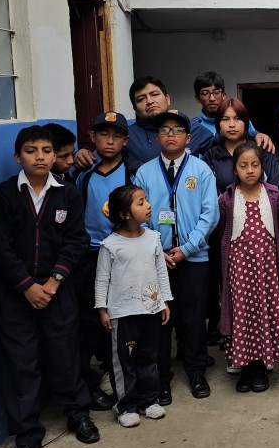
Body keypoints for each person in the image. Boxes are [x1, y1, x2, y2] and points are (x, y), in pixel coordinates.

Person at [0, 125, 99, 448]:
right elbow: (1, 246)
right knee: (21, 362)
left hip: (57, 290)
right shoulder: (4, 195)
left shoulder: (67, 193)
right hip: (17, 294)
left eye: (46, 151)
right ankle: (27, 433)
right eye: (31, 150)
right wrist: (26, 286)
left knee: (65, 353)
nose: (40, 157)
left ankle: (78, 415)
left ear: (54, 155)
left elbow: (76, 240)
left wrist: (52, 282)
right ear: (17, 156)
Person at [133, 111, 220, 402]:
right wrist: (158, 249)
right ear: (157, 137)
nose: (171, 134)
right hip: (156, 259)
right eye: (165, 130)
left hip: (194, 259)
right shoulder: (144, 172)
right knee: (159, 320)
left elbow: (210, 215)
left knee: (194, 319)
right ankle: (162, 380)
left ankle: (197, 374)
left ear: (188, 137)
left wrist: (186, 248)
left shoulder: (201, 170)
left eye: (177, 130)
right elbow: (138, 215)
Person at [73, 112, 138, 413]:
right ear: (92, 137)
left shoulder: (132, 172)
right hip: (89, 255)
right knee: (93, 317)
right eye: (103, 135)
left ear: (125, 140)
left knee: (125, 316)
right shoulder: (83, 173)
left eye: (116, 136)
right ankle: (100, 373)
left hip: (123, 254)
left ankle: (125, 376)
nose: (109, 141)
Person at [94, 185, 172, 428]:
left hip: (150, 310)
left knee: (149, 358)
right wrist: (102, 309)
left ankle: (150, 400)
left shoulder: (153, 239)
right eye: (140, 202)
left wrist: (164, 301)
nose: (148, 205)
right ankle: (126, 405)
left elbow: (161, 271)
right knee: (125, 362)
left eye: (146, 200)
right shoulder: (110, 245)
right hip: (122, 314)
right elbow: (102, 279)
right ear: (125, 214)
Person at [217, 143, 279, 393]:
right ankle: (245, 366)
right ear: (235, 170)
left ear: (262, 167)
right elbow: (224, 232)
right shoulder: (227, 198)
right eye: (243, 165)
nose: (249, 170)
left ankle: (261, 366)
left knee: (264, 311)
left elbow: (277, 226)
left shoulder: (273, 195)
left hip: (266, 267)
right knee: (242, 313)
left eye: (255, 165)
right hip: (239, 267)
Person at [73, 77, 213, 169]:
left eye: (154, 94)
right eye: (141, 99)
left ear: (167, 99)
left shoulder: (192, 128)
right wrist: (81, 153)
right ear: (135, 108)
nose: (150, 101)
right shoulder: (127, 135)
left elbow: (223, 150)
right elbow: (102, 153)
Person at [204, 98, 279, 194]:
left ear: (246, 123)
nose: (232, 125)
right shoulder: (211, 156)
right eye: (225, 119)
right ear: (218, 124)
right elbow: (209, 196)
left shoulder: (262, 149)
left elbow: (276, 191)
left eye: (237, 119)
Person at [191, 71, 274, 153]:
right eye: (205, 93)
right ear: (197, 98)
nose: (212, 98)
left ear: (223, 95)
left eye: (216, 92)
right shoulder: (193, 127)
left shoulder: (242, 122)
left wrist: (259, 135)